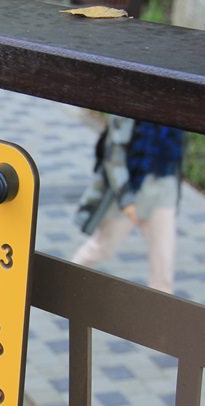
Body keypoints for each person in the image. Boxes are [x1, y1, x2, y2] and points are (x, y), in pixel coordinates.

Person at [71, 115, 185, 293]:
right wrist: (126, 200)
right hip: (129, 187)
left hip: (164, 185)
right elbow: (113, 156)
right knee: (101, 247)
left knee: (164, 259)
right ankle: (65, 284)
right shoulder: (131, 99)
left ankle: (161, 315)